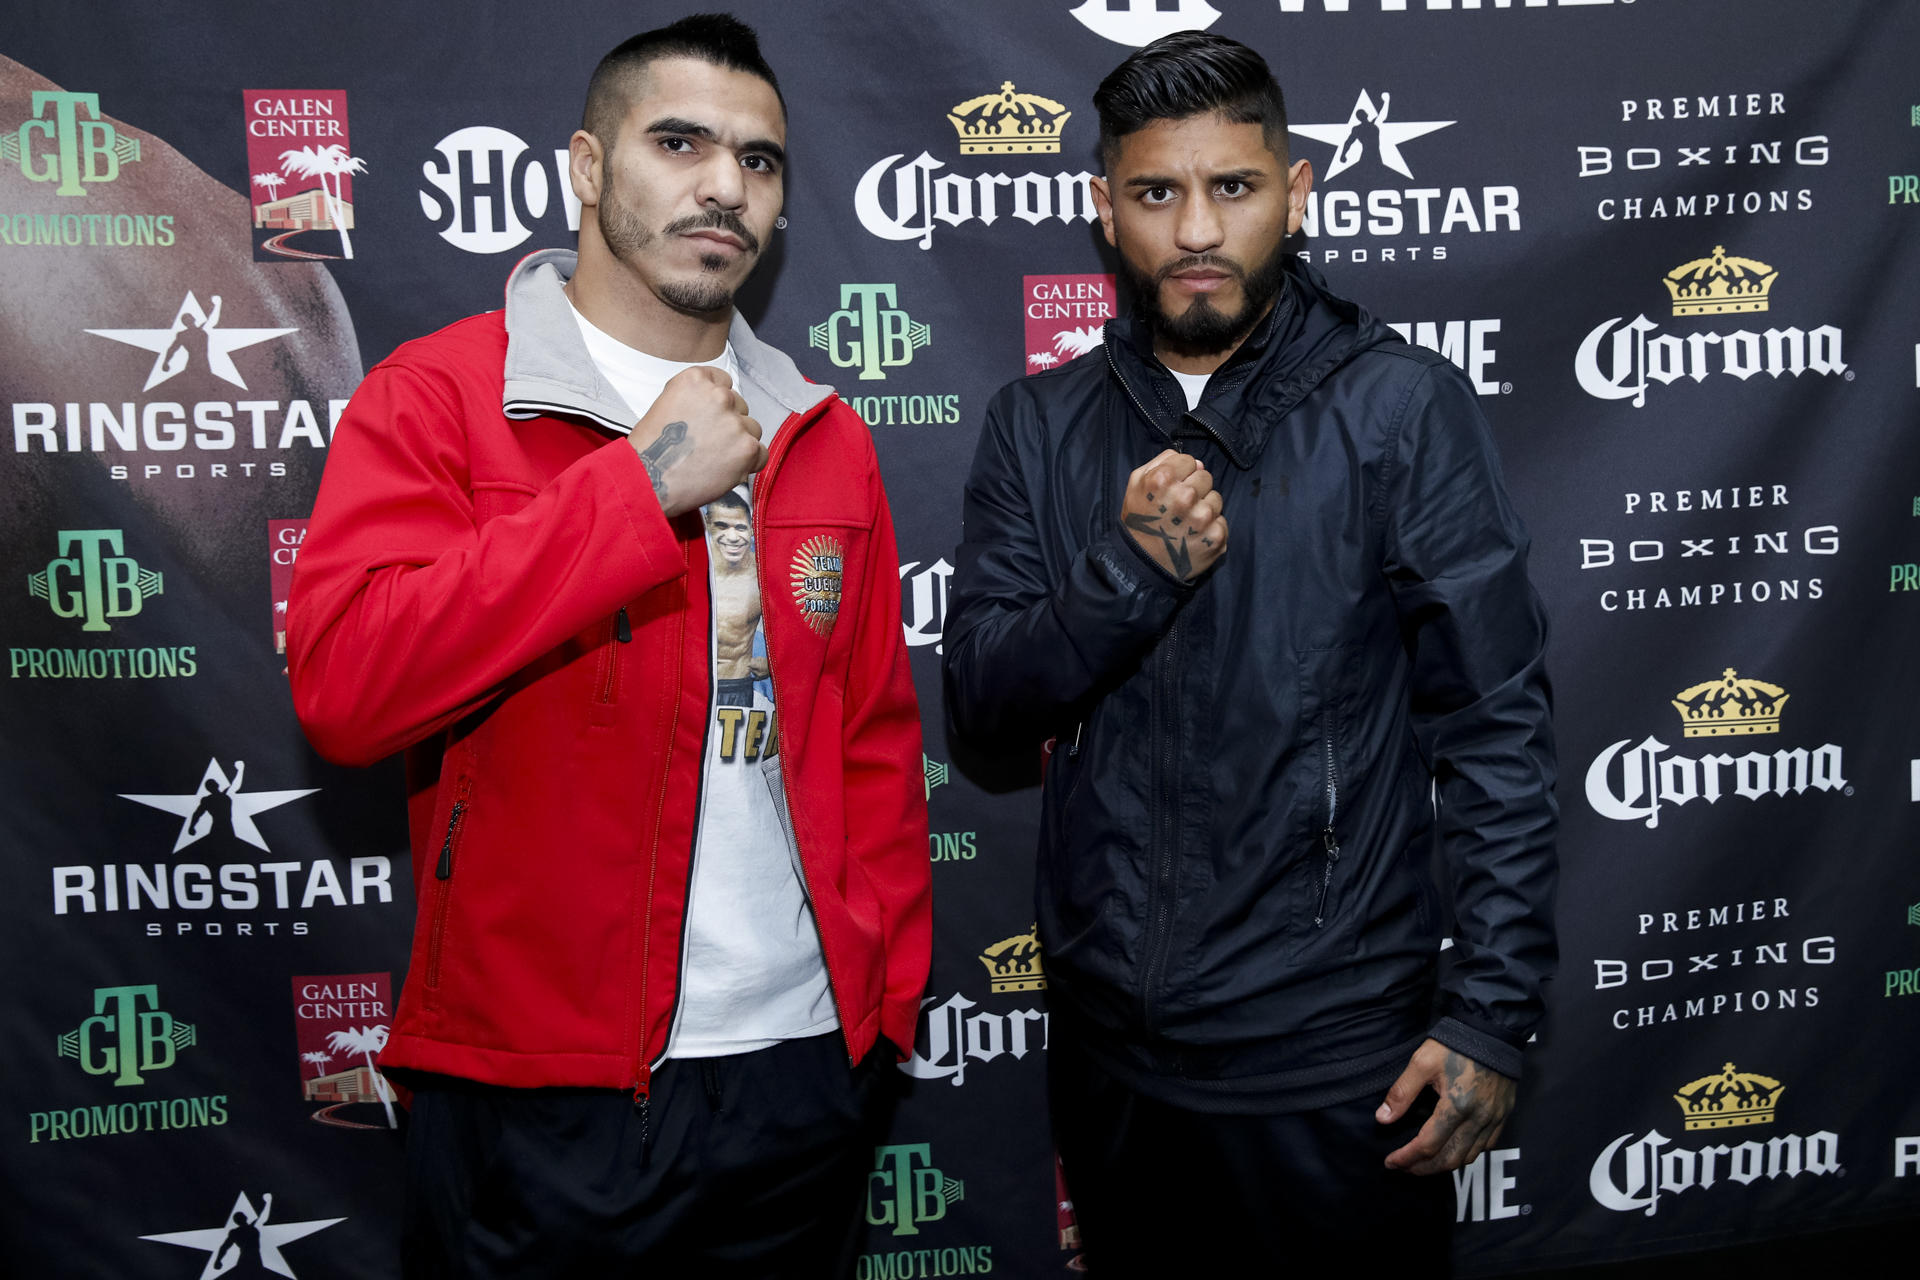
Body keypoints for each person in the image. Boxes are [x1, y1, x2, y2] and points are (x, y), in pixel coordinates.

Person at [287, 15, 930, 1277]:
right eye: (678, 141)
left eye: (759, 159)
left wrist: (878, 999)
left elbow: (872, 737)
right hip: (537, 1090)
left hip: (801, 1073)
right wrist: (633, 489)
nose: (723, 185)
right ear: (587, 166)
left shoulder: (823, 428)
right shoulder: (441, 398)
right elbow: (348, 687)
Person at [943, 31, 1556, 1273]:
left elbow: (1494, 723)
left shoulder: (1400, 405)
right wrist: (1129, 578)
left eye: (1235, 186)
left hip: (1339, 1057)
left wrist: (1491, 1012)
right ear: (1103, 208)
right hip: (1114, 1056)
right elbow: (986, 712)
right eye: (1159, 192)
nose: (1198, 232)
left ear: (1300, 190)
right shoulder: (1038, 425)